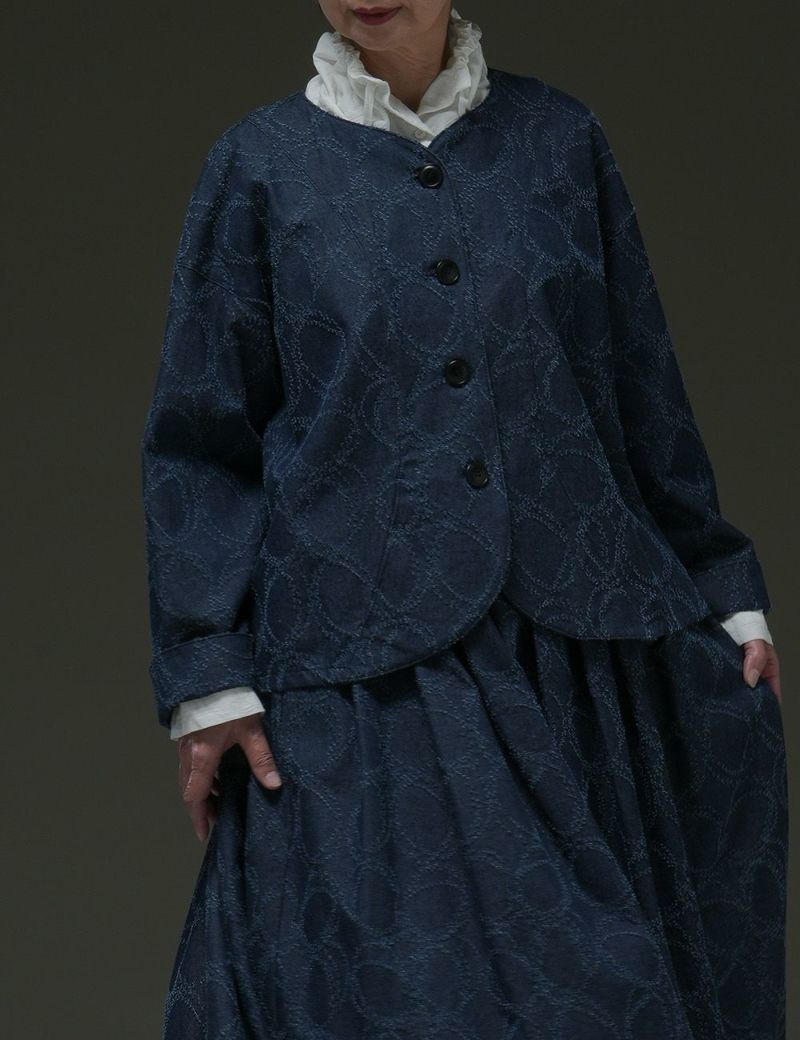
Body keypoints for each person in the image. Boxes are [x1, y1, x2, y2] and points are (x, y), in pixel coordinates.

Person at [140, 3, 788, 1037]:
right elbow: (200, 434)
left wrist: (721, 585)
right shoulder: (258, 168)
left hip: (580, 661)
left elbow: (635, 383)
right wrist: (207, 671)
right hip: (361, 681)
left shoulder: (560, 141)